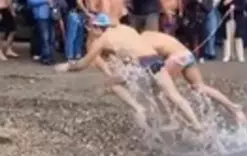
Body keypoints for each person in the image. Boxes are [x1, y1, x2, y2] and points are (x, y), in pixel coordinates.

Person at [53, 14, 203, 132]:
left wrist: (67, 67)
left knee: (111, 84)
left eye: (91, 28)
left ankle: (138, 107)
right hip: (155, 60)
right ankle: (195, 123)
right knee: (169, 94)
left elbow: (82, 64)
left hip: (141, 64)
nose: (90, 31)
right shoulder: (125, 28)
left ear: (98, 28)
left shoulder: (102, 40)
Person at [140, 31, 247, 125]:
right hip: (187, 54)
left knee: (162, 88)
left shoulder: (141, 42)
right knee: (200, 86)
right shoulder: (150, 34)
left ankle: (173, 118)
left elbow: (150, 61)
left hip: (176, 57)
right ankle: (233, 107)